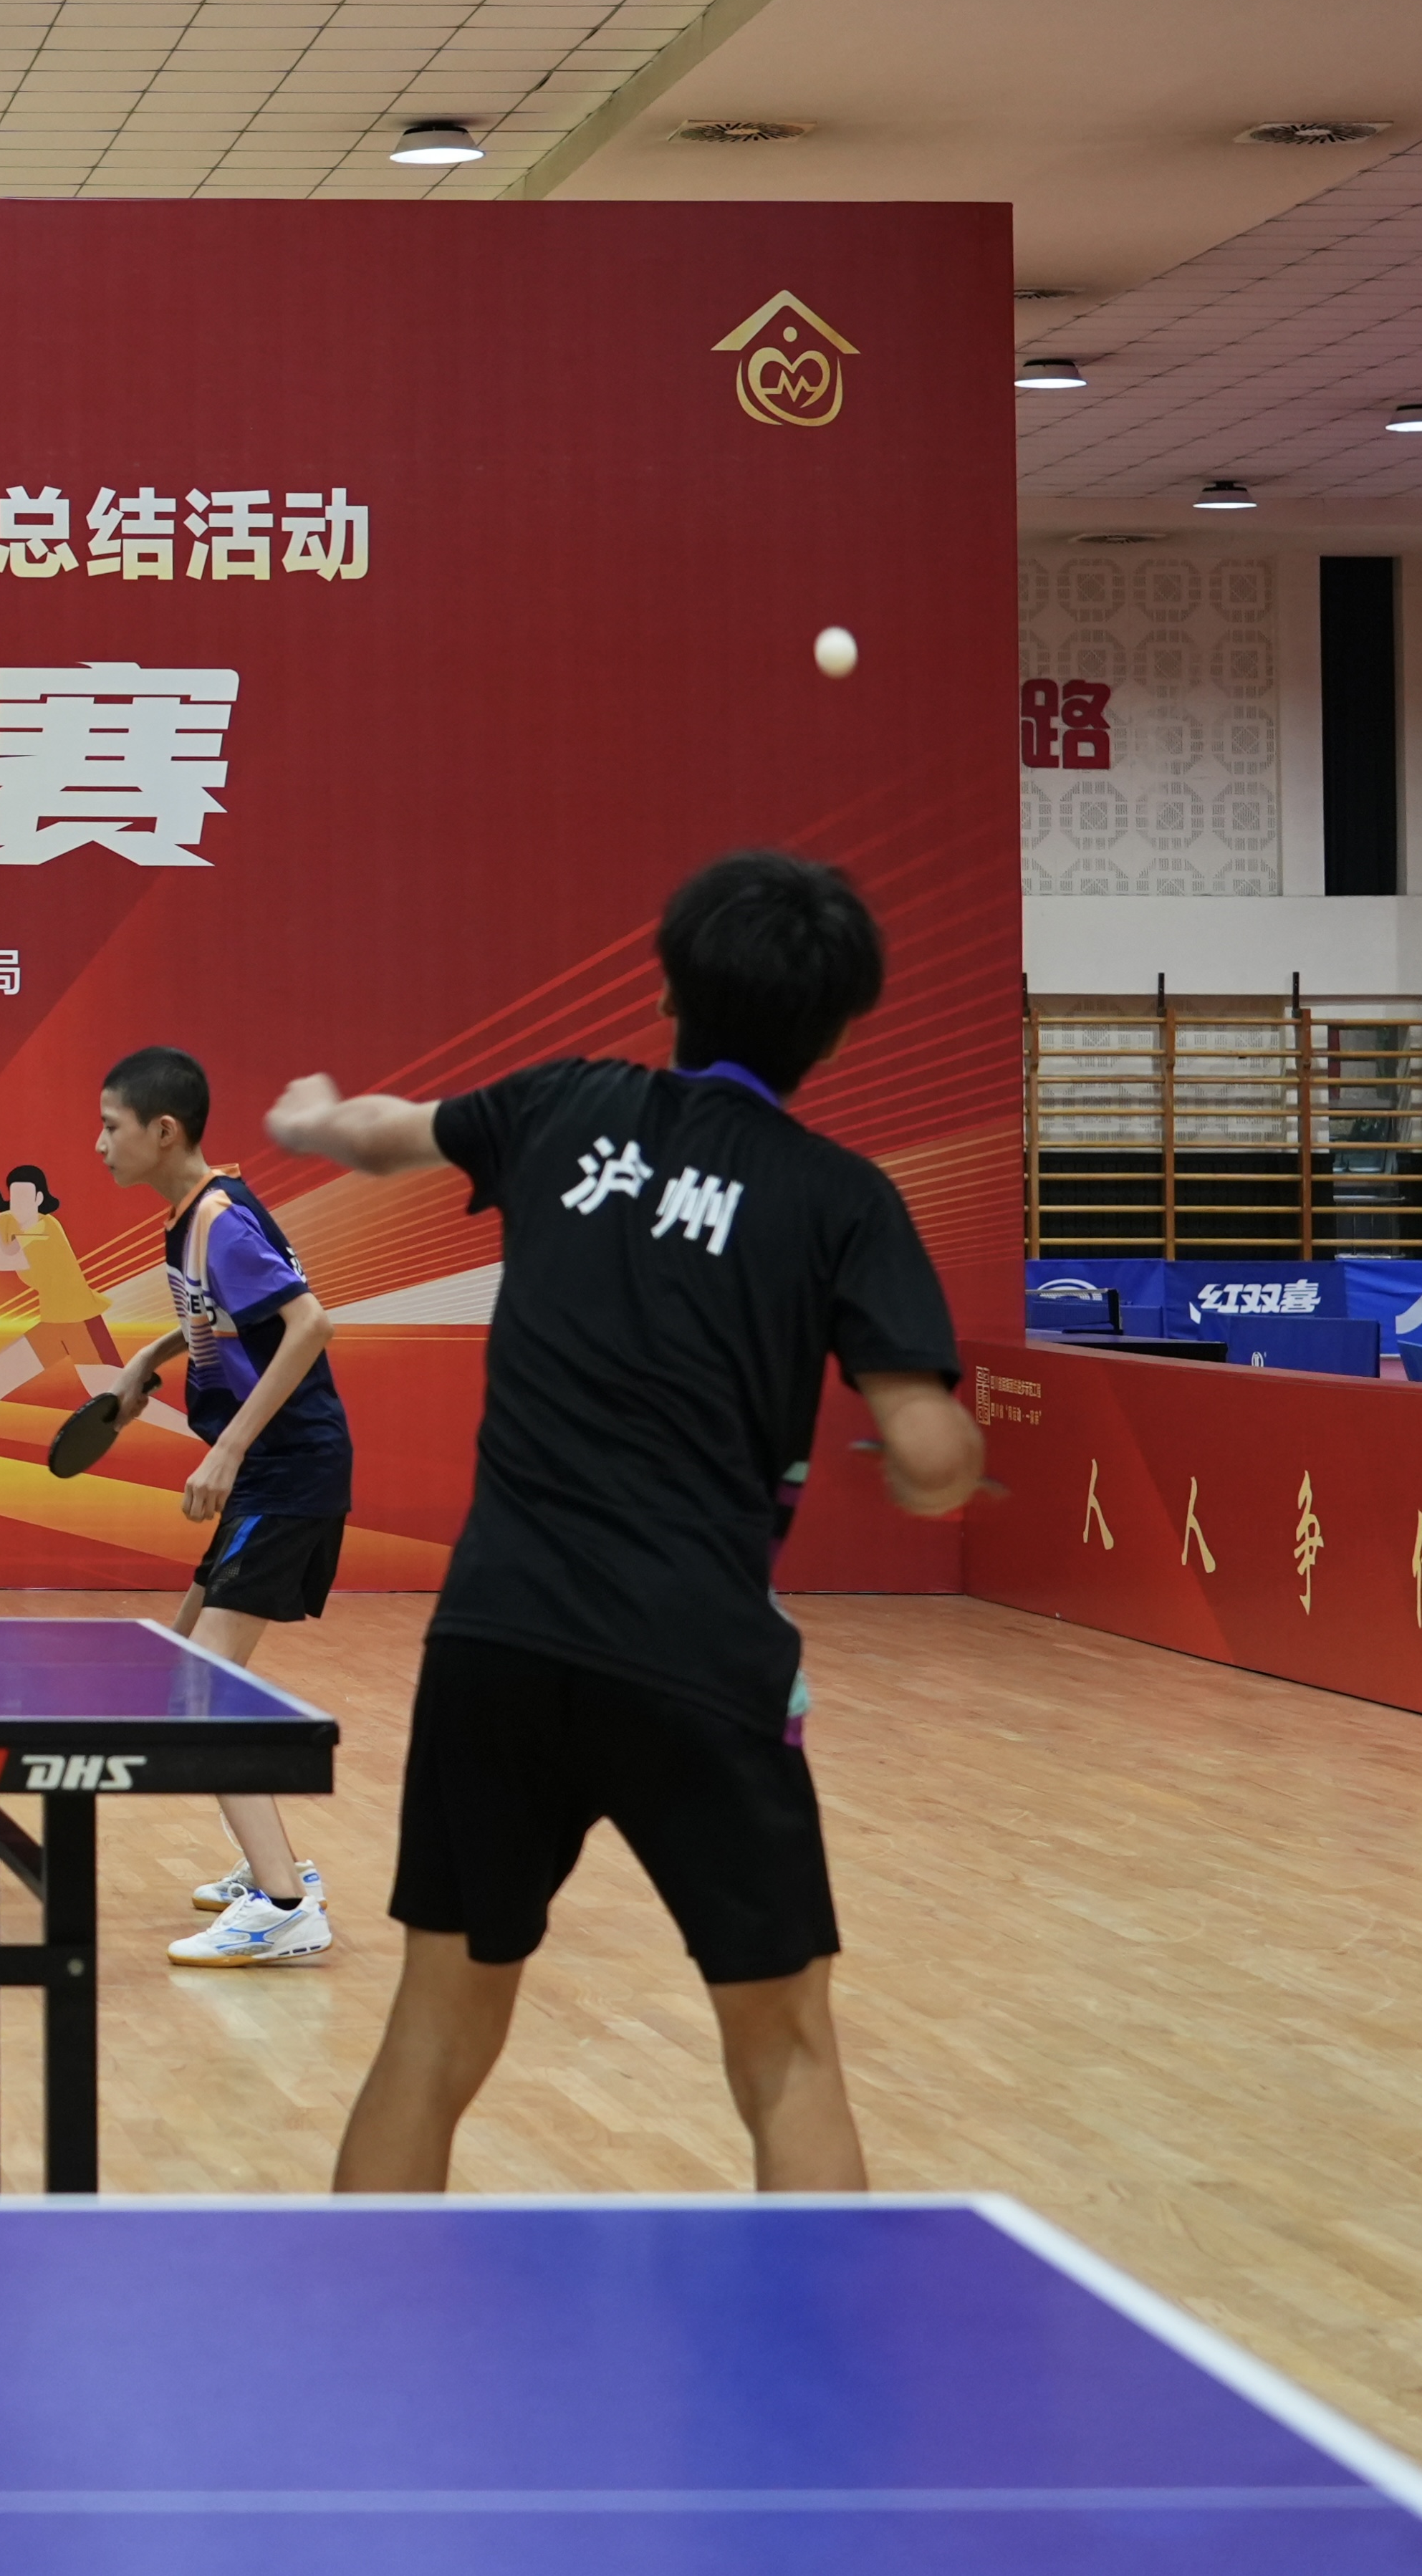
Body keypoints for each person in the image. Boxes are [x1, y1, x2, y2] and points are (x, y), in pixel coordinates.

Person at [265, 850, 983, 2196]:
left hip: (499, 1637)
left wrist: (309, 1118)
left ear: (666, 990)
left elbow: (382, 1134)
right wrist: (927, 1467)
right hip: (697, 1659)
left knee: (431, 2032)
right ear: (837, 1032)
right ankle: (810, 2331)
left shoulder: (563, 1105)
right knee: (786, 2056)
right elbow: (932, 1454)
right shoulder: (843, 1199)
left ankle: (355, 2320)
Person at [90, 1044, 352, 1969]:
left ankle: (283, 1904)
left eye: (110, 1126)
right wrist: (148, 1357)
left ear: (162, 1130)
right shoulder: (192, 1216)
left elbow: (309, 1322)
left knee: (204, 1688)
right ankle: (276, 1868)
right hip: (271, 1472)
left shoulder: (218, 1219)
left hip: (287, 1469)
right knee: (187, 1671)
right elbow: (231, 1315)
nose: (98, 1144)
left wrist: (230, 1444)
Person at [0, 1155, 186, 1464]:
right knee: (1, 1370)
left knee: (117, 1395)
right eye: (14, 1196)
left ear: (40, 1200)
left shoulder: (46, 1230)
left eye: (26, 1197)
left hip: (80, 1323)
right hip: (55, 1323)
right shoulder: (8, 1222)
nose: (19, 1203)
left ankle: (200, 1432)